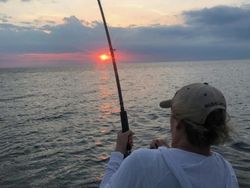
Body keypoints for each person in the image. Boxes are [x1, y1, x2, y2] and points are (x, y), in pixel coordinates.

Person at [100, 83, 239, 188]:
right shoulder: (227, 171)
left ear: (179, 123)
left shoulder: (141, 161)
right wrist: (167, 153)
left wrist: (119, 150)